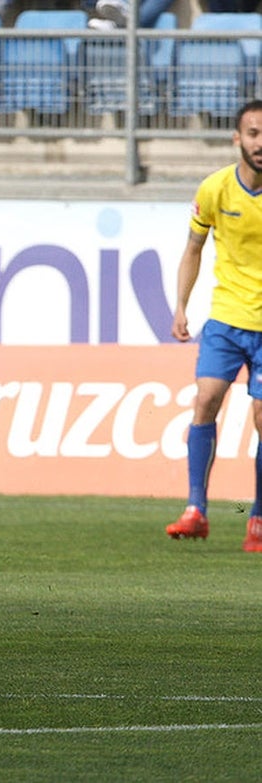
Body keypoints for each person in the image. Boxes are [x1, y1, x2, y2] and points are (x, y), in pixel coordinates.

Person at [167, 99, 262, 553]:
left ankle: (258, 518)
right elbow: (193, 248)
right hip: (225, 318)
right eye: (253, 133)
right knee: (205, 399)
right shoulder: (215, 189)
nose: (261, 143)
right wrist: (181, 306)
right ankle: (196, 510)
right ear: (237, 138)